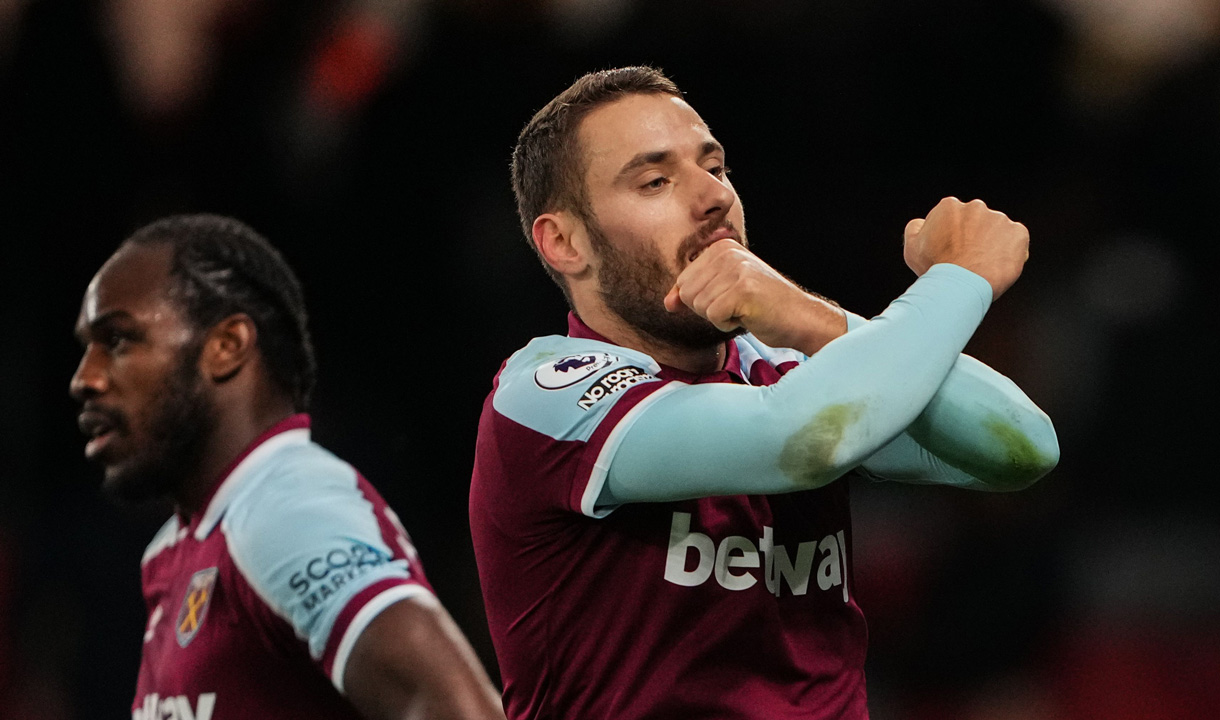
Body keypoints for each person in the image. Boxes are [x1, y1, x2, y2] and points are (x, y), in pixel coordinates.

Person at [468, 66, 1060, 719]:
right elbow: (802, 440)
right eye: (656, 181)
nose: (712, 197)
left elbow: (1024, 448)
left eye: (715, 168)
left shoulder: (787, 367)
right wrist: (960, 278)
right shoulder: (545, 396)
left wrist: (811, 321)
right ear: (564, 242)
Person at [70, 215, 505, 720]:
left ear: (227, 346)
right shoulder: (179, 547)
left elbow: (460, 711)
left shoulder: (286, 506)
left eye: (118, 341)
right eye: (86, 350)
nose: (85, 378)